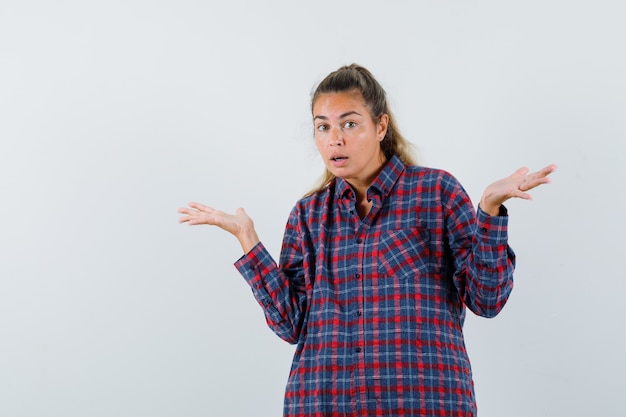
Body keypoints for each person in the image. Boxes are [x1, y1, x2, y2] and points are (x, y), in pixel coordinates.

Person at [178, 64, 556, 417]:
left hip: (424, 403)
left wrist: (489, 210)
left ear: (380, 126)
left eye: (349, 123)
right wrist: (248, 239)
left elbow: (486, 300)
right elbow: (291, 325)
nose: (335, 139)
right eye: (323, 127)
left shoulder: (435, 192)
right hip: (322, 401)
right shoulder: (308, 215)